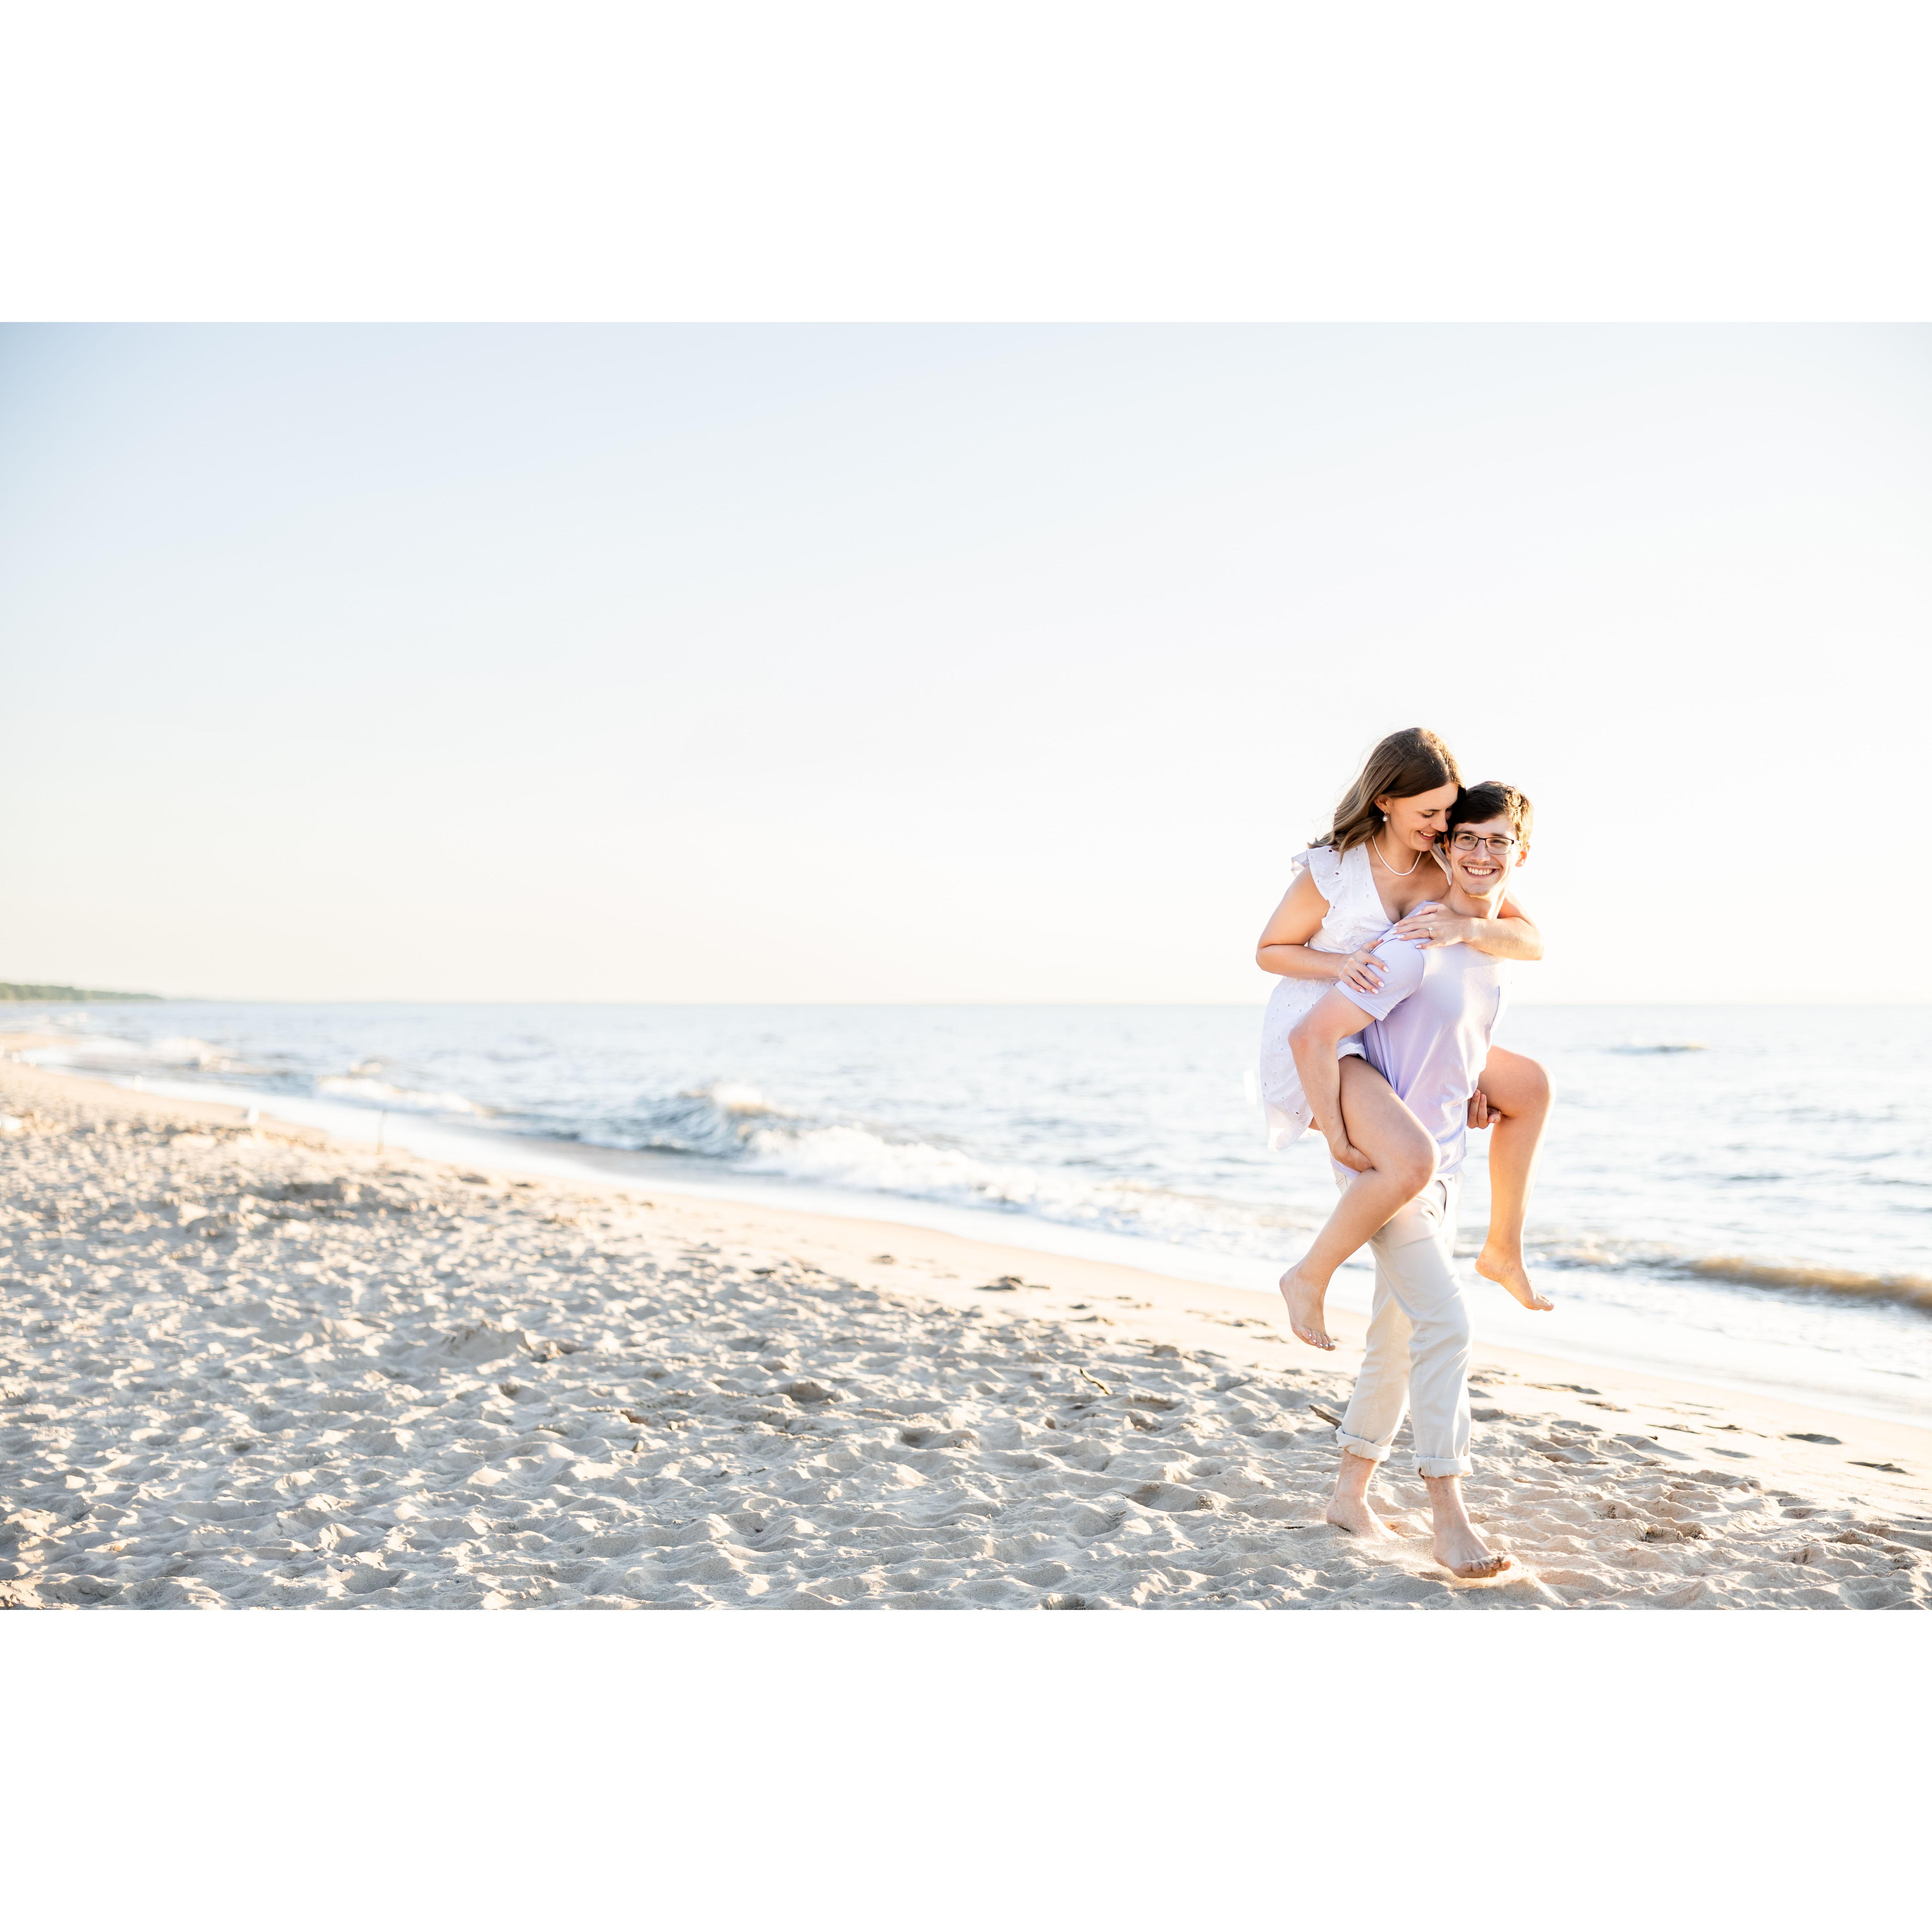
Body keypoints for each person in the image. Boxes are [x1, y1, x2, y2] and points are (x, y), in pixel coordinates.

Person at [1296, 781, 1535, 1578]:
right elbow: (1317, 1034)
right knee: (1447, 1325)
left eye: (1497, 841)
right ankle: (1449, 1514)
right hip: (1390, 1169)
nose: (1480, 853)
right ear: (1444, 846)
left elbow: (1459, 1035)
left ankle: (1349, 1494)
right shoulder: (1414, 941)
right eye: (1466, 838)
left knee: (1397, 1336)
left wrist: (1474, 1084)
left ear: (1521, 853)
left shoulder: (1494, 941)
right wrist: (1339, 1139)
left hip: (1447, 1162)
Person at [1257, 730, 1551, 1353]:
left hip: (1395, 1026)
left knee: (1527, 1087)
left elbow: (1530, 940)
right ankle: (1308, 1276)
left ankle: (1503, 1249)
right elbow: (1270, 951)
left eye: (1449, 813)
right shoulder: (1334, 871)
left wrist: (1467, 929)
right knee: (1411, 1161)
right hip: (1329, 1035)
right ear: (1386, 802)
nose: (1445, 827)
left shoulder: (1441, 862)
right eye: (1432, 813)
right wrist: (1339, 965)